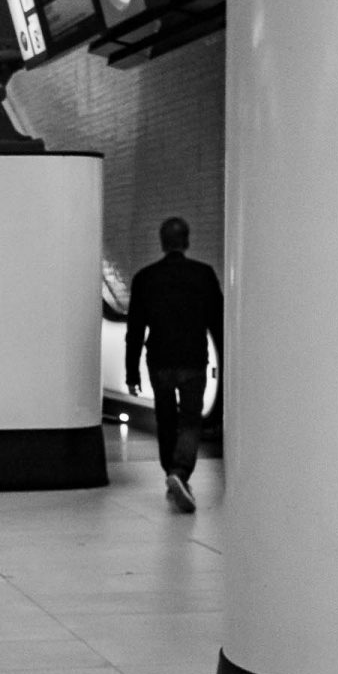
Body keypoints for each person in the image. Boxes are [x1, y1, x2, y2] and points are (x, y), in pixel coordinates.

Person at [125, 216, 223, 513]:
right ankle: (180, 473)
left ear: (162, 242)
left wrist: (131, 372)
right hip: (193, 359)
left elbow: (135, 329)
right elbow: (218, 323)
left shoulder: (145, 278)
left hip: (159, 360)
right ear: (187, 241)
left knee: (165, 420)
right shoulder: (203, 275)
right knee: (191, 420)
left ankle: (172, 473)